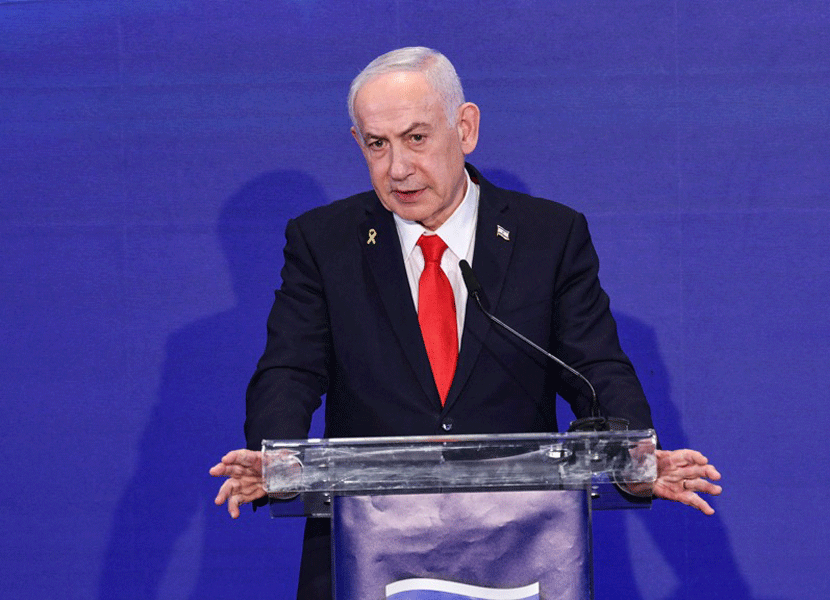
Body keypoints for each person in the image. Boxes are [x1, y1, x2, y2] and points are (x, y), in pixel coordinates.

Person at [210, 46, 722, 599]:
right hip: (366, 555)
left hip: (520, 552)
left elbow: (596, 369)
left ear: (466, 127)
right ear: (358, 143)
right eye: (378, 145)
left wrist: (632, 455)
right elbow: (290, 370)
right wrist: (277, 454)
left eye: (416, 138)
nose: (397, 168)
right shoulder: (323, 242)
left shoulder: (548, 236)